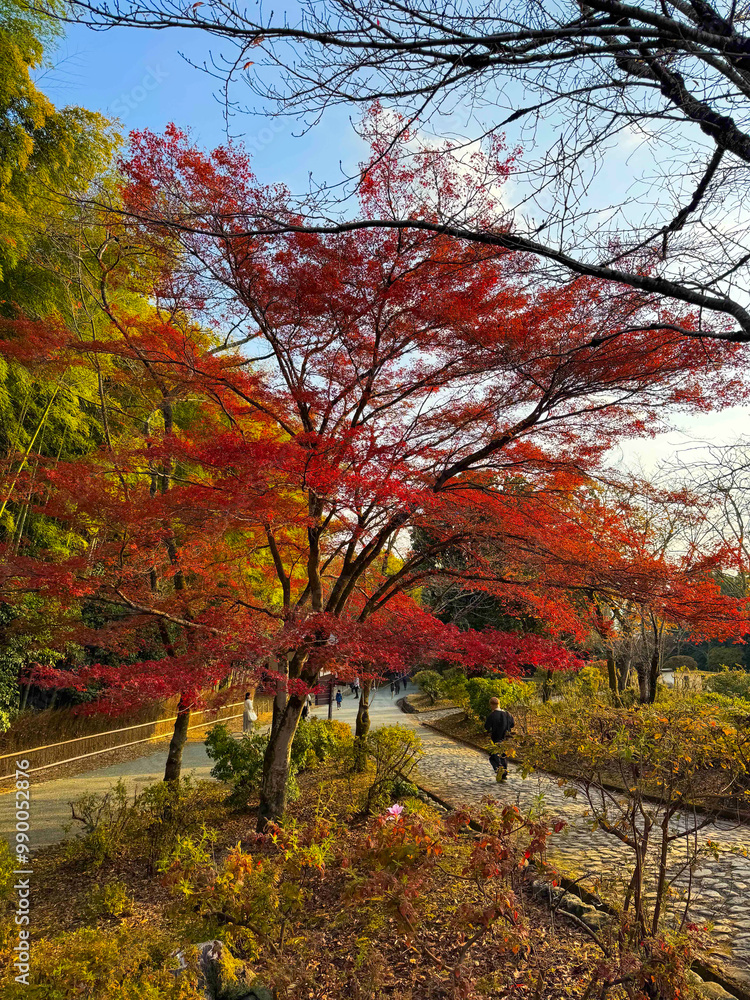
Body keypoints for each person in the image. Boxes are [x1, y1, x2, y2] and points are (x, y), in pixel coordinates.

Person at [484, 696, 514, 781]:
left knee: (494, 756)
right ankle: (504, 771)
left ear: (492, 705)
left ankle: (499, 769)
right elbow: (512, 724)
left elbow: (486, 727)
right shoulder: (508, 714)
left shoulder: (492, 715)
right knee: (503, 755)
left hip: (496, 738)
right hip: (505, 739)